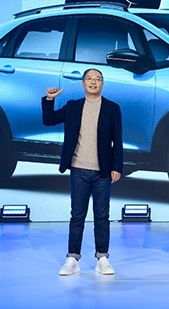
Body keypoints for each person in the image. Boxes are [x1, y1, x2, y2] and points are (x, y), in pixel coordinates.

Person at [42, 68, 123, 276]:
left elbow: (118, 140)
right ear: (83, 83)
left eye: (98, 79)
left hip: (102, 171)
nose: (93, 82)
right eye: (89, 78)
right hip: (78, 169)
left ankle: (102, 258)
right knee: (77, 215)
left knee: (102, 215)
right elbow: (49, 120)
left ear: (102, 84)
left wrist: (117, 167)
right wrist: (49, 100)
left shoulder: (112, 108)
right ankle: (72, 259)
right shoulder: (73, 106)